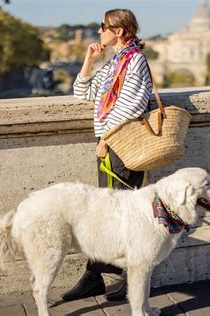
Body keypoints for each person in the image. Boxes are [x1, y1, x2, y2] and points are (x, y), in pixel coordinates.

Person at [63, 9, 152, 302]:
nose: (99, 31)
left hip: (121, 147)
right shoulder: (115, 61)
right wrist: (89, 59)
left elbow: (131, 107)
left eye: (104, 27)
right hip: (109, 146)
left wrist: (107, 139)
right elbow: (82, 93)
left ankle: (127, 277)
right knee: (107, 213)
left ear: (121, 31)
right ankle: (96, 274)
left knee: (122, 215)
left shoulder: (134, 61)